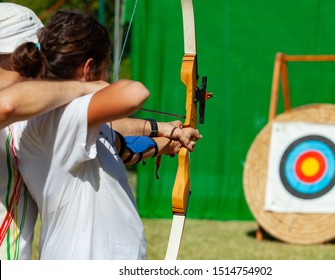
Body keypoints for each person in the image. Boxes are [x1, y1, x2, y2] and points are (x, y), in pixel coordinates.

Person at [10, 9, 201, 259]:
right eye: (107, 68)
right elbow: (134, 93)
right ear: (89, 68)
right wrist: (90, 87)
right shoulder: (57, 118)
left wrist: (166, 137)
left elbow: (118, 146)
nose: (108, 77)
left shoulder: (76, 122)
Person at [0, 3, 110, 260]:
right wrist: (84, 87)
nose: (38, 60)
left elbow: (82, 124)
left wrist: (157, 130)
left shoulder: (24, 116)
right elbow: (6, 106)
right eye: (30, 52)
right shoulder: (10, 108)